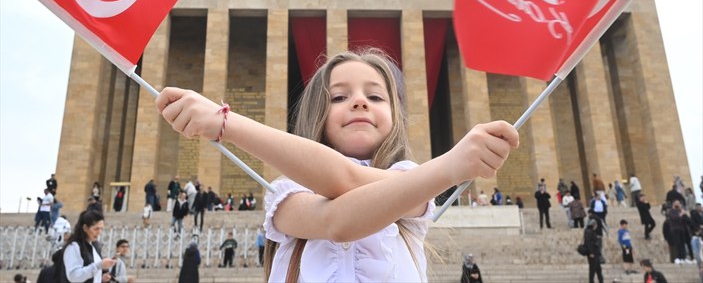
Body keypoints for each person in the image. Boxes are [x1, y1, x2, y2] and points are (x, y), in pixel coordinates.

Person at [156, 48, 519, 282]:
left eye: (375, 96)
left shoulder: (410, 183)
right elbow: (338, 217)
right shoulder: (287, 193)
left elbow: (356, 183)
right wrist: (449, 167)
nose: (360, 102)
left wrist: (226, 124)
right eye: (340, 97)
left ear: (395, 115)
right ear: (317, 113)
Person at [63, 210, 116, 283]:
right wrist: (98, 266)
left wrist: (101, 277)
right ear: (85, 228)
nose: (99, 232)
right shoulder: (74, 247)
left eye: (101, 229)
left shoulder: (93, 246)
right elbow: (73, 276)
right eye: (96, 229)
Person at [584, 217, 603, 283]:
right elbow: (588, 243)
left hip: (595, 252)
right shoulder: (589, 232)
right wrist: (591, 252)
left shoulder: (591, 231)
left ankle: (601, 281)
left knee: (598, 269)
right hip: (592, 253)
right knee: (592, 269)